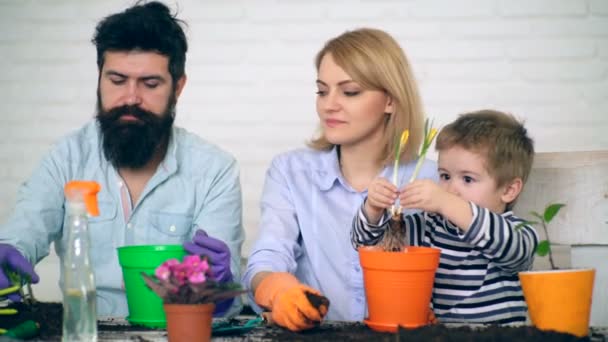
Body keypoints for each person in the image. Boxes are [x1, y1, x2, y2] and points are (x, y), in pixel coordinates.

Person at [0, 1, 244, 318]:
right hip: (86, 332)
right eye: (116, 80)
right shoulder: (67, 158)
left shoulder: (214, 170)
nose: (130, 98)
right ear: (99, 78)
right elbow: (25, 230)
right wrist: (9, 253)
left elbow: (223, 300)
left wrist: (220, 287)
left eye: (150, 84)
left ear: (178, 87)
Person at [243, 28, 438, 331]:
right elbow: (267, 256)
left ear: (390, 100)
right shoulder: (291, 172)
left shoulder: (430, 180)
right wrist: (277, 289)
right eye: (322, 91)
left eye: (349, 92)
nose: (328, 105)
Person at [352, 109, 538, 324]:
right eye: (445, 176)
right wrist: (373, 209)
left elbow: (513, 249)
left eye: (467, 179)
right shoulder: (428, 227)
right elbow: (368, 246)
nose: (450, 189)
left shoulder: (516, 232)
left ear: (508, 190)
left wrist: (445, 202)